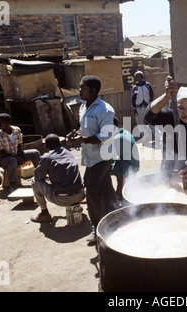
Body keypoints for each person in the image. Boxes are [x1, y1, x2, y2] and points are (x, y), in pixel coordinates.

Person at [66, 75, 118, 243]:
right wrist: (76, 135)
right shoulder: (83, 106)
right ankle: (115, 216)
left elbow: (105, 135)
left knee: (93, 193)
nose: (79, 90)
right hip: (90, 156)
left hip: (102, 156)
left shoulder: (105, 110)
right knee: (106, 188)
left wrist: (81, 140)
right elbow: (85, 129)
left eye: (83, 88)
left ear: (94, 91)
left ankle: (97, 228)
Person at [145, 76, 187, 186]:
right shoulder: (169, 118)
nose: (185, 113)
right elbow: (149, 116)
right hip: (167, 173)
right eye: (181, 108)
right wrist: (166, 96)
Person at [30, 134, 85, 223]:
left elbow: (38, 176)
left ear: (46, 146)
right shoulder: (68, 153)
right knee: (71, 178)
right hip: (80, 195)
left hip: (63, 200)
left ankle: (44, 214)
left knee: (34, 181)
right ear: (59, 144)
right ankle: (75, 204)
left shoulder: (47, 157)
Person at [0, 113, 40, 192]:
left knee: (35, 153)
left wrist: (19, 154)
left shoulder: (16, 130)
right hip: (2, 159)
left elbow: (19, 144)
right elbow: (1, 153)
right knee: (12, 160)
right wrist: (16, 157)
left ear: (8, 123)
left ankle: (39, 177)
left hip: (16, 154)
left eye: (0, 122)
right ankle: (13, 184)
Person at [110, 116, 140, 201]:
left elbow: (110, 158)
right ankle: (120, 193)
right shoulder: (123, 131)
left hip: (128, 167)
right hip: (132, 164)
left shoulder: (117, 138)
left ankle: (120, 195)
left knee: (104, 169)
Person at [131, 71, 158, 142]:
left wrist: (151, 104)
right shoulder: (135, 87)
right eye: (137, 77)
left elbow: (151, 95)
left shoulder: (147, 85)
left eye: (139, 76)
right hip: (139, 107)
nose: (138, 78)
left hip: (148, 107)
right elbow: (133, 99)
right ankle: (145, 137)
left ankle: (156, 136)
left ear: (142, 77)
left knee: (151, 121)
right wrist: (134, 109)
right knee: (140, 123)